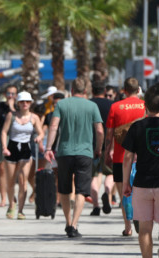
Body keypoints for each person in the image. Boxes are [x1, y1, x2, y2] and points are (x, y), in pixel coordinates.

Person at [44, 77, 104, 238]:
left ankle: (67, 221)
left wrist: (48, 148)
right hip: (85, 153)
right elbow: (99, 130)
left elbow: (54, 126)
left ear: (71, 91)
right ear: (85, 91)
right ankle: (75, 225)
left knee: (64, 189)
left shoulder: (62, 104)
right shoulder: (92, 106)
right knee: (81, 190)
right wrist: (98, 148)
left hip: (64, 152)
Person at [122, 85, 159, 258]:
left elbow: (127, 157)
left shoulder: (137, 127)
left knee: (145, 228)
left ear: (145, 105)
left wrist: (126, 183)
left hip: (142, 184)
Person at [105, 77, 145, 236]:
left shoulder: (115, 107)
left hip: (121, 157)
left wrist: (108, 151)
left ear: (124, 90)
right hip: (143, 157)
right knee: (142, 193)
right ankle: (141, 221)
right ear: (138, 90)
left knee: (124, 193)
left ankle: (128, 226)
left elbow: (109, 134)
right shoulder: (145, 106)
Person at [1, 91, 44, 220]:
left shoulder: (34, 117)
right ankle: (11, 205)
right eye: (22, 102)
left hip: (26, 149)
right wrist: (4, 147)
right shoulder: (11, 115)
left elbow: (41, 133)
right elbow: (4, 132)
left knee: (23, 181)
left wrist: (38, 138)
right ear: (18, 103)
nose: (25, 104)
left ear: (30, 103)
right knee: (10, 181)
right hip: (12, 148)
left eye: (27, 101)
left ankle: (20, 210)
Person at [89, 81, 114, 216]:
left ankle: (96, 206)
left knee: (93, 175)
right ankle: (107, 191)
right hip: (108, 145)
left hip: (91, 145)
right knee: (110, 173)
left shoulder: (88, 104)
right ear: (105, 92)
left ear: (92, 91)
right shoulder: (112, 105)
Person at [0, 85, 18, 207]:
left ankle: (12, 195)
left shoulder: (20, 107)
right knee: (1, 169)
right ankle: (3, 198)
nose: (10, 96)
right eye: (9, 93)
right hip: (2, 138)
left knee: (14, 171)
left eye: (13, 94)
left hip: (16, 140)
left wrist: (12, 107)